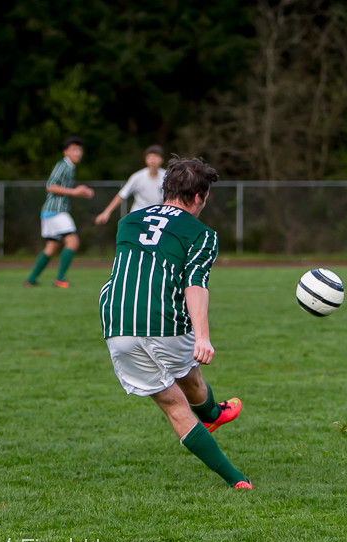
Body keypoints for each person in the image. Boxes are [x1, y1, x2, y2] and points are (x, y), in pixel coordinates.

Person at [98, 156, 252, 490]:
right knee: (190, 375)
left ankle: (233, 471)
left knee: (174, 404)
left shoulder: (128, 222)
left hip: (117, 323)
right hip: (165, 322)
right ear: (198, 197)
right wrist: (202, 337)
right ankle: (214, 419)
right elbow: (194, 284)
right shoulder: (202, 234)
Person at [24, 136, 94, 288]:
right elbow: (50, 186)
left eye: (80, 150)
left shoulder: (70, 167)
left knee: (51, 248)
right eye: (74, 149)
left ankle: (31, 280)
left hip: (49, 212)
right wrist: (74, 192)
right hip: (56, 210)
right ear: (65, 152)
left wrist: (79, 191)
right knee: (73, 242)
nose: (78, 153)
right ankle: (60, 278)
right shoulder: (63, 165)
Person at [95, 145, 166, 225]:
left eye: (155, 157)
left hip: (157, 219)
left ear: (161, 159)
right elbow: (121, 195)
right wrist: (106, 212)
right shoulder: (137, 177)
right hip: (138, 218)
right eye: (150, 157)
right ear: (146, 159)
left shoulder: (167, 177)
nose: (152, 160)